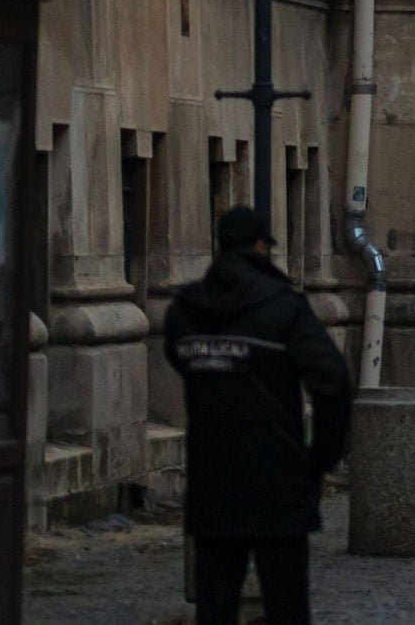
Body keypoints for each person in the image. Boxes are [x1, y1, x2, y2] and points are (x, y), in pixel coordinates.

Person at [165, 207, 352, 625]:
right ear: (259, 246)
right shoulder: (283, 308)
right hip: (278, 477)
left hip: (212, 477)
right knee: (286, 605)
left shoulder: (184, 312)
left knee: (215, 608)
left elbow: (179, 358)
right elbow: (333, 380)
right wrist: (320, 458)